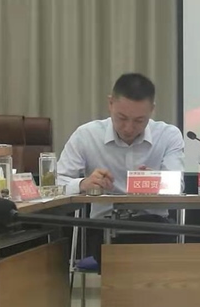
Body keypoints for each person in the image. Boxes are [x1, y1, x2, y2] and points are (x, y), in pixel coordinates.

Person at [57, 73, 185, 267]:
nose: (128, 128)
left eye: (139, 120)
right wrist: (83, 184)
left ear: (152, 110)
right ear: (110, 103)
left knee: (155, 254)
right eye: (122, 118)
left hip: (154, 227)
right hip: (104, 228)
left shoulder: (168, 136)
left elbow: (177, 186)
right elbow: (56, 183)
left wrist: (155, 180)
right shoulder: (86, 135)